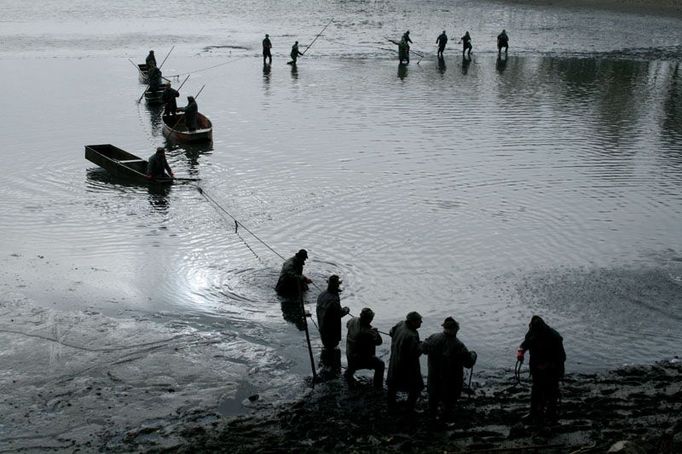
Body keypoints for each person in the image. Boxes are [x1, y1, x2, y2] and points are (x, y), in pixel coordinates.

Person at [421, 317, 477, 420]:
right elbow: (468, 363)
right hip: (451, 381)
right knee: (449, 403)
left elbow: (423, 349)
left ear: (444, 327)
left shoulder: (433, 337)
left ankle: (432, 419)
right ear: (455, 329)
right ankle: (444, 422)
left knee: (433, 400)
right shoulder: (458, 345)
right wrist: (473, 354)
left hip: (434, 377)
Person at [516, 315, 566, 425]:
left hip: (553, 370)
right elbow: (525, 344)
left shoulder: (555, 337)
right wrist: (521, 351)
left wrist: (547, 365)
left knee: (552, 392)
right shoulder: (532, 332)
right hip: (536, 368)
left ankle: (551, 416)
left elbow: (562, 357)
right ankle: (533, 413)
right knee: (536, 390)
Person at [386, 311, 424, 411]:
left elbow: (391, 332)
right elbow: (415, 353)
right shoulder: (411, 335)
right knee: (415, 387)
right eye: (419, 321)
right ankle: (410, 408)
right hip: (407, 365)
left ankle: (391, 403)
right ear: (413, 322)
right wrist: (422, 346)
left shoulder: (400, 324)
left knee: (393, 383)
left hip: (395, 359)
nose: (421, 322)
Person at [316, 275, 350, 375]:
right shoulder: (333, 300)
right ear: (336, 285)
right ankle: (333, 370)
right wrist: (346, 310)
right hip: (331, 330)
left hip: (322, 326)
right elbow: (339, 314)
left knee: (327, 346)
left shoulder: (322, 294)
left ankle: (324, 365)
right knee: (333, 348)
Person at [345, 308, 384, 389]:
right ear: (369, 319)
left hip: (350, 353)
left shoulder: (352, 320)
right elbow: (379, 342)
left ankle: (349, 373)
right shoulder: (368, 332)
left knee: (352, 366)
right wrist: (376, 333)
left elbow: (347, 325)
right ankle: (378, 387)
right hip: (360, 358)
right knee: (380, 364)